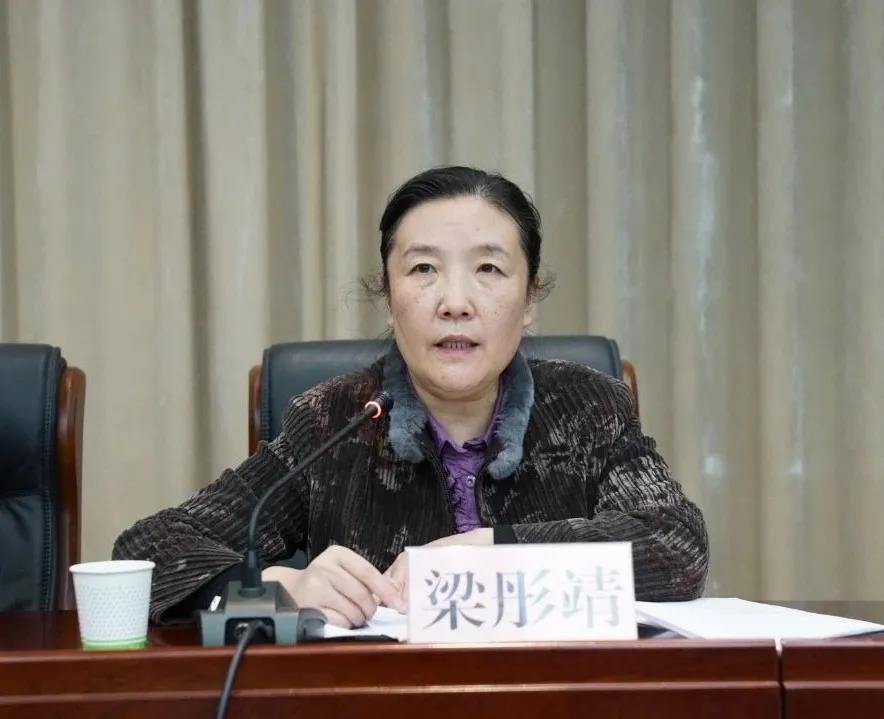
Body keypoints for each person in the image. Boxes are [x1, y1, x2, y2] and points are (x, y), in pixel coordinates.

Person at [114, 166, 708, 627]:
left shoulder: (587, 407)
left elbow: (676, 546)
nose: (455, 302)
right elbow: (148, 551)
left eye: (489, 270)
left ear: (529, 299)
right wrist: (278, 587)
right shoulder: (332, 421)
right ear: (388, 296)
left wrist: (498, 551)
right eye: (423, 269)